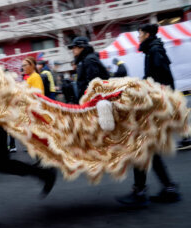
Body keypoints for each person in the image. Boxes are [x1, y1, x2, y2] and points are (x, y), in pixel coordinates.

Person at [116, 23, 180, 206]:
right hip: (154, 109)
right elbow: (154, 79)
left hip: (155, 110)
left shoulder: (155, 51)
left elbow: (164, 82)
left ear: (147, 34)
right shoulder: (152, 51)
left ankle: (141, 192)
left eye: (140, 34)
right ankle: (167, 188)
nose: (138, 38)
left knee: (141, 148)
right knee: (146, 149)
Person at [67, 36, 109, 103]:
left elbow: (93, 83)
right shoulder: (83, 60)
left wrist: (87, 101)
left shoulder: (89, 60)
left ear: (82, 47)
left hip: (93, 101)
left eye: (74, 47)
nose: (73, 50)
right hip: (87, 99)